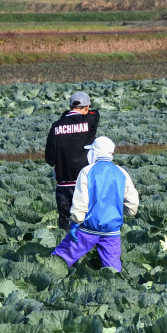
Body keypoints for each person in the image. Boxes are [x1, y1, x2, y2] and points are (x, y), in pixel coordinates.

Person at [50, 137, 139, 272]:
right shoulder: (121, 172)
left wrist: (75, 223)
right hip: (112, 229)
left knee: (61, 257)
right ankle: (115, 289)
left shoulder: (87, 171)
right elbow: (132, 203)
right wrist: (123, 212)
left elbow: (81, 201)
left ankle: (49, 275)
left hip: (88, 228)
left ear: (96, 151)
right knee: (112, 268)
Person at [44, 91, 100, 231]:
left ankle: (66, 251)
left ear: (69, 106)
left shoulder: (56, 126)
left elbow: (49, 159)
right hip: (85, 182)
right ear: (87, 107)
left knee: (66, 223)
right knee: (88, 221)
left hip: (64, 184)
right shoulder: (90, 121)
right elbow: (96, 113)